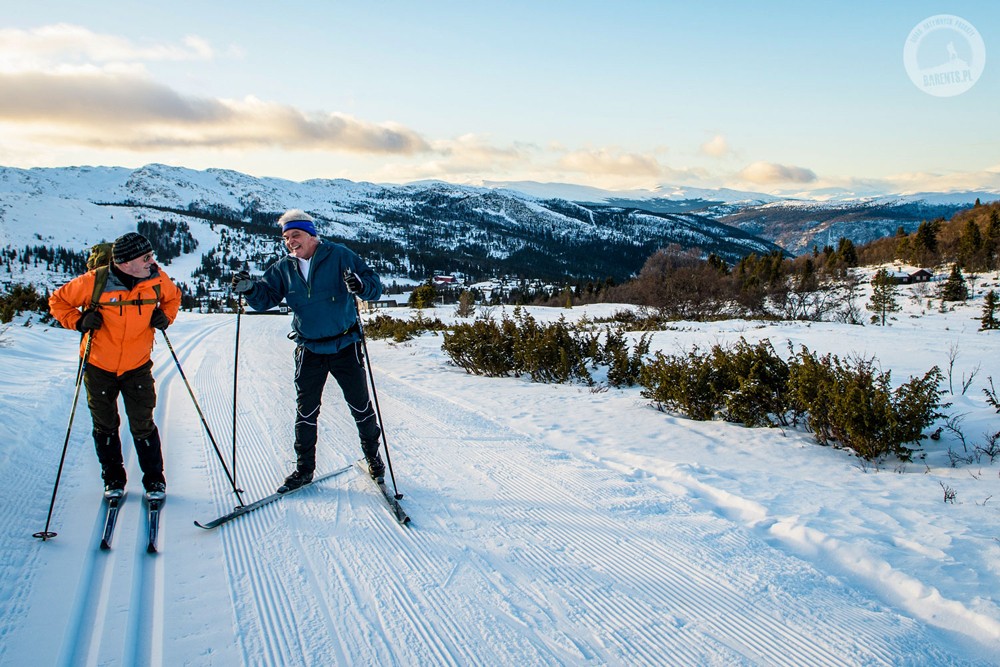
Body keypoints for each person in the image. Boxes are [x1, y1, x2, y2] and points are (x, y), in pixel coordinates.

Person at [231, 209, 386, 493]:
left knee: (361, 406)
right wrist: (250, 288)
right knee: (306, 411)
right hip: (309, 349)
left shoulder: (339, 255)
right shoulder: (283, 268)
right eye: (287, 237)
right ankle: (304, 470)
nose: (291, 241)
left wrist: (361, 286)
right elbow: (264, 300)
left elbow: (374, 287)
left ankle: (374, 459)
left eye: (296, 235)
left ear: (312, 235)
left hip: (345, 345)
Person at [49, 232, 181, 500]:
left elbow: (173, 298)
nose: (152, 261)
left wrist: (164, 317)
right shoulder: (94, 281)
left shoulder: (156, 278)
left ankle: (155, 480)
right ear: (125, 262)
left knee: (143, 423)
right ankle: (113, 479)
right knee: (105, 425)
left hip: (137, 365)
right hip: (98, 366)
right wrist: (79, 321)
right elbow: (58, 302)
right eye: (146, 257)